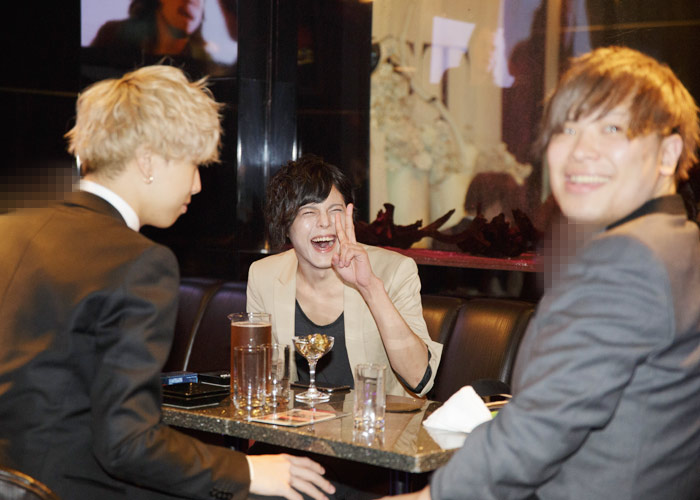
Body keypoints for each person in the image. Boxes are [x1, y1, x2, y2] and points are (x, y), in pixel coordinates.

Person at [0, 65, 335, 500]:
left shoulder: (10, 229)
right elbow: (127, 444)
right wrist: (249, 471)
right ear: (147, 161)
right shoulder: (139, 262)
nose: (197, 185)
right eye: (194, 164)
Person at [384, 46, 700, 499]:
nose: (579, 151)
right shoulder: (681, 241)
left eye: (611, 128)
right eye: (566, 128)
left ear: (668, 154)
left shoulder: (625, 259)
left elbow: (540, 429)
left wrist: (429, 497)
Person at [246, 155, 442, 398]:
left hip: (377, 419)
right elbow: (260, 376)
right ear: (285, 224)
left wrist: (369, 287)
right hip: (298, 419)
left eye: (335, 210)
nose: (325, 222)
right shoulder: (263, 276)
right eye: (309, 212)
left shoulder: (395, 270)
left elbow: (419, 379)